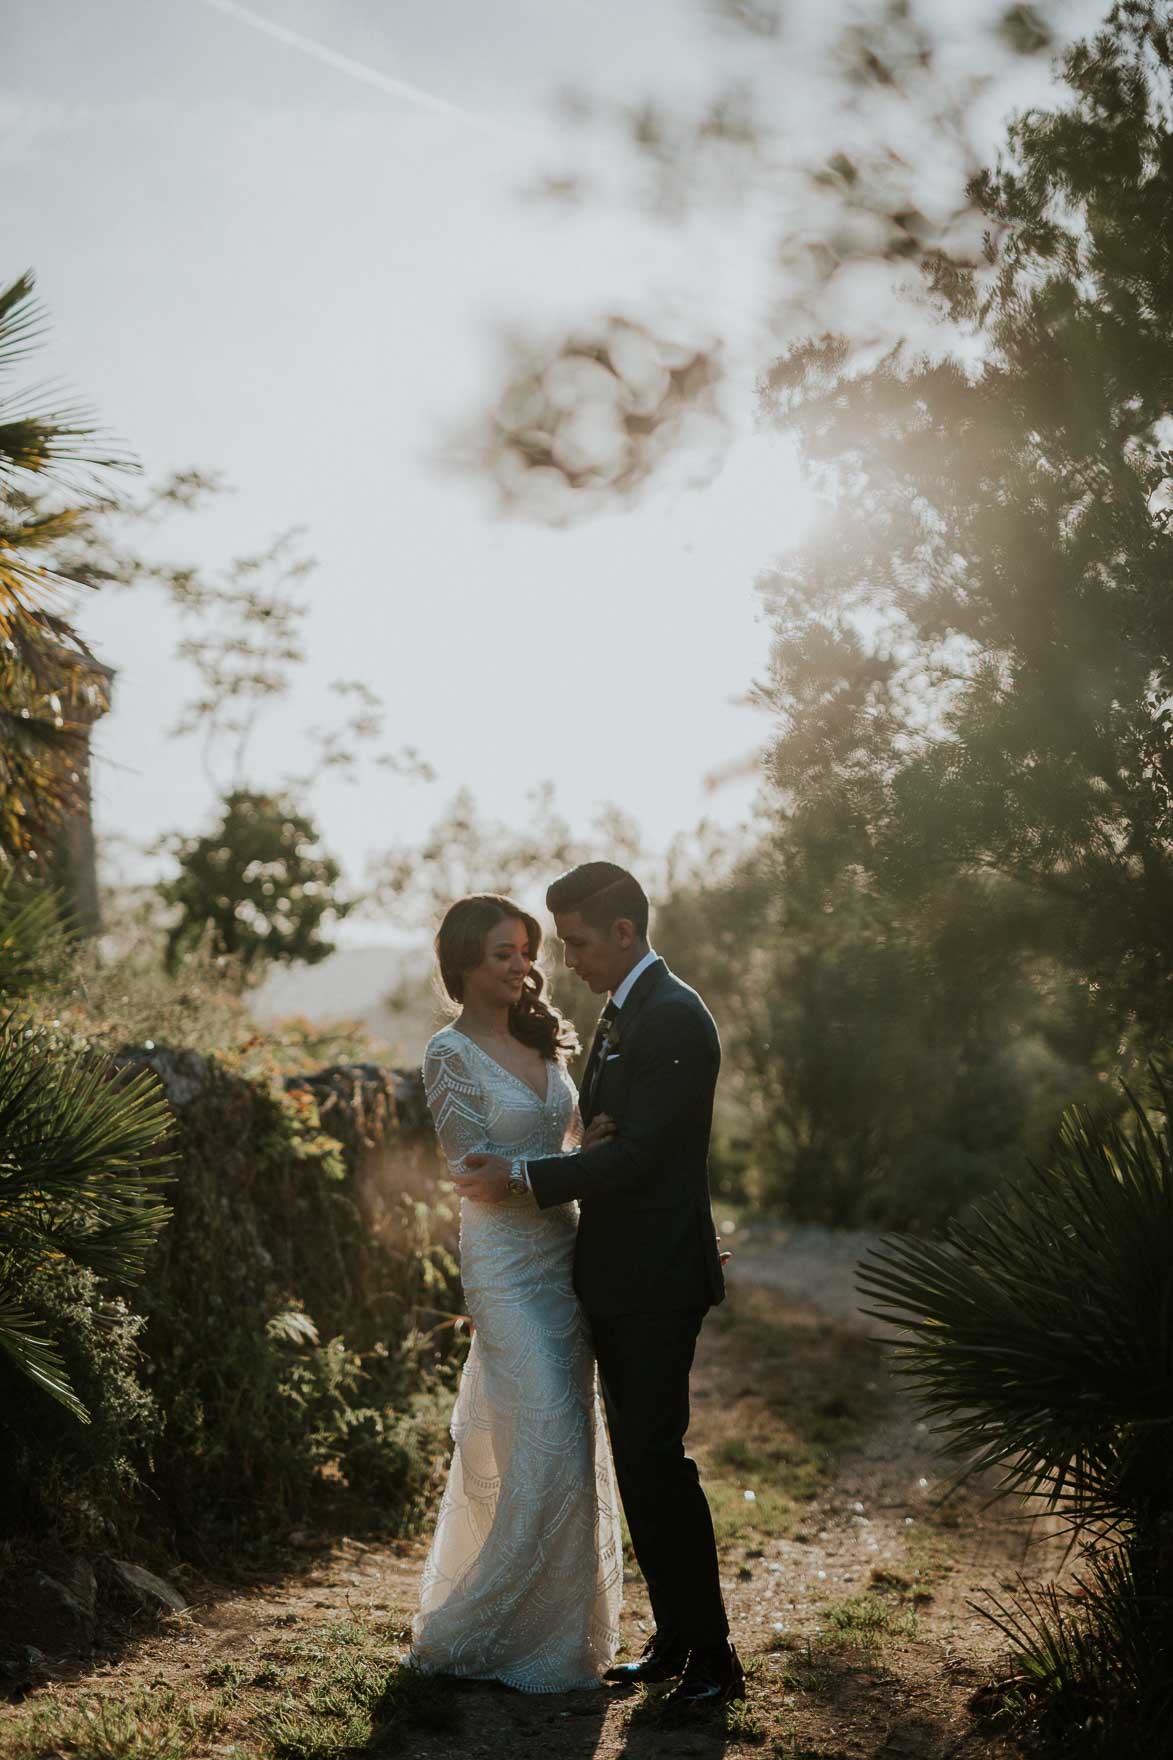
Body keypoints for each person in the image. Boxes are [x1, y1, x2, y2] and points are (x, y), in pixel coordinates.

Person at [458, 861, 744, 1708]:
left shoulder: (674, 1018)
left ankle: (715, 1659)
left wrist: (524, 1176)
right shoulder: (624, 1013)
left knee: (658, 1462)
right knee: (638, 1462)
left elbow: (640, 1156)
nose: (565, 961)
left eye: (577, 942)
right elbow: (616, 1141)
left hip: (655, 1277)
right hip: (621, 1273)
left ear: (624, 933)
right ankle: (675, 1640)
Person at [410, 894, 623, 1693]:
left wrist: (585, 1146)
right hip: (501, 1265)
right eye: (504, 952)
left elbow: (551, 1146)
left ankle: (559, 1635)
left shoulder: (544, 1039)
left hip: (563, 1256)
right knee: (546, 1436)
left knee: (568, 1433)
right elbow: (478, 1179)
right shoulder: (448, 1052)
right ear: (464, 960)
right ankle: (477, 1627)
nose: (523, 965)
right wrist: (556, 1166)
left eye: (526, 951)